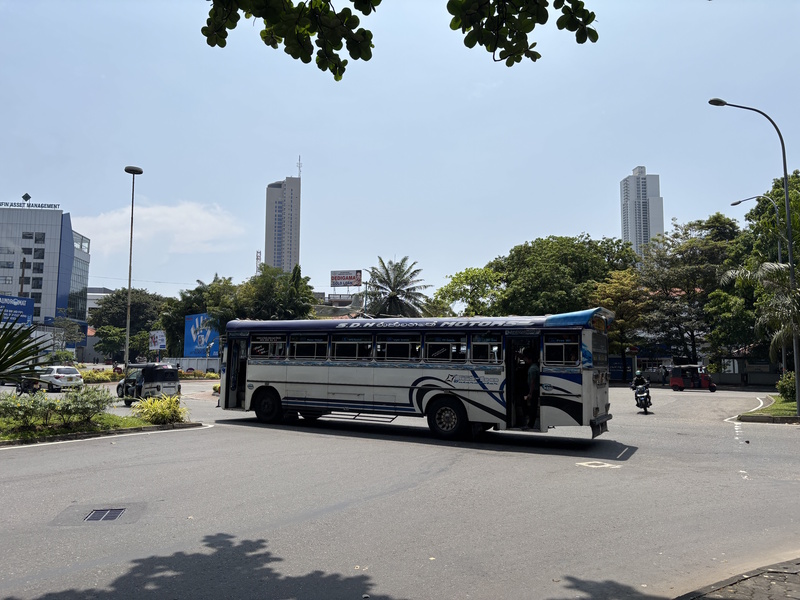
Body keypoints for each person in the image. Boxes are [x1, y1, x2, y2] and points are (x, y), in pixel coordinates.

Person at [521, 347, 540, 430]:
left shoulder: (532, 369)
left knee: (532, 408)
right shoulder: (535, 367)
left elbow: (532, 382)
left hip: (533, 391)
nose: (525, 361)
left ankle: (530, 425)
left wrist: (530, 393)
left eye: (526, 359)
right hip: (534, 390)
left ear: (530, 359)